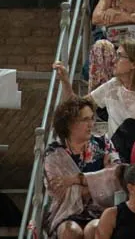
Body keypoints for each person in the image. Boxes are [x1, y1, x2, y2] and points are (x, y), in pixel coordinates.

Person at [42, 96, 122, 239]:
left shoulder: (103, 143)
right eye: (85, 120)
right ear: (69, 123)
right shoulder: (54, 152)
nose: (91, 124)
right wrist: (97, 183)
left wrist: (75, 179)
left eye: (92, 118)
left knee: (95, 229)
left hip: (100, 209)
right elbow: (57, 190)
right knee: (70, 231)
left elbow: (115, 177)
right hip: (65, 213)